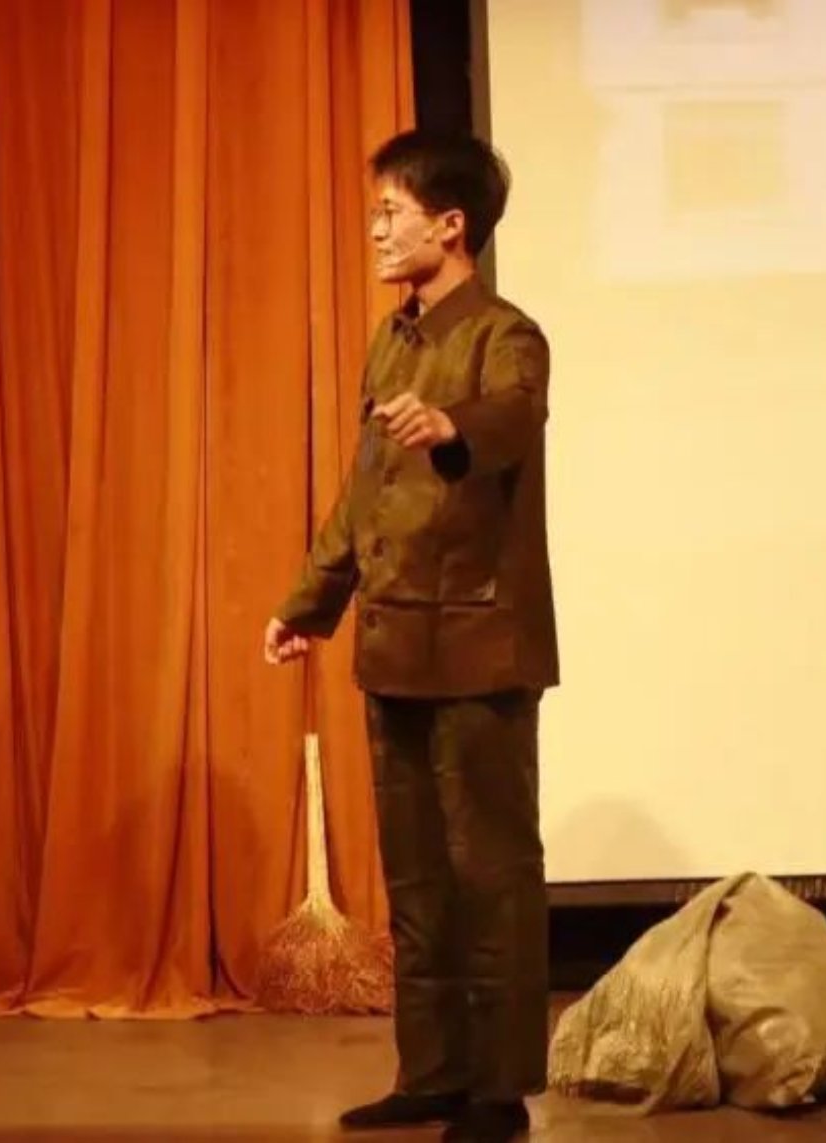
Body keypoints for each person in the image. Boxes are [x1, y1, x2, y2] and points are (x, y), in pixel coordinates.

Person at [263, 130, 556, 1143]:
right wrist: (308, 604)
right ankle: (431, 1071)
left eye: (391, 211)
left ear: (451, 224)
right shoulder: (391, 341)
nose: (376, 229)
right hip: (394, 649)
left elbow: (513, 415)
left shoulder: (507, 336)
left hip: (478, 648)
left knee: (492, 875)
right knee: (418, 880)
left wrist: (451, 426)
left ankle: (497, 1090)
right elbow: (364, 495)